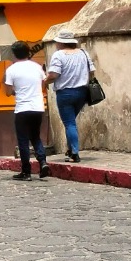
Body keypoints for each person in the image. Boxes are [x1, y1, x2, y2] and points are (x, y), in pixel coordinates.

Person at [2, 40, 49, 180]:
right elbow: (43, 85)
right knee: (35, 137)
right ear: (28, 52)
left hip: (22, 109)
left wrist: (18, 91)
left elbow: (8, 92)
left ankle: (26, 171)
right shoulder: (37, 67)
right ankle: (42, 162)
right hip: (38, 107)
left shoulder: (11, 70)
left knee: (23, 140)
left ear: (14, 54)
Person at [46, 28, 94, 163]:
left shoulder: (59, 55)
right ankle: (69, 149)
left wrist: (45, 81)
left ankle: (74, 152)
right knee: (71, 122)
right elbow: (92, 72)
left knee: (69, 123)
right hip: (82, 92)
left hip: (65, 93)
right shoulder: (83, 53)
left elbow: (54, 74)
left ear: (61, 43)